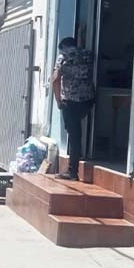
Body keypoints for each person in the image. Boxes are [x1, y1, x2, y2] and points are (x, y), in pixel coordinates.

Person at [51, 37, 95, 180]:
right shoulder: (88, 54)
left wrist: (58, 101)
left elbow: (55, 79)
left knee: (74, 136)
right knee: (76, 130)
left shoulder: (63, 57)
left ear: (63, 47)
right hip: (88, 100)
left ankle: (72, 172)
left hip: (71, 101)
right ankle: (74, 165)